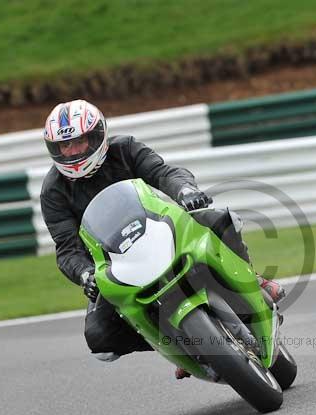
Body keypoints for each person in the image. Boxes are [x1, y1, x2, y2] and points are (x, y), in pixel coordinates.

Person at [40, 99, 285, 378]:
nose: (72, 152)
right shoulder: (53, 192)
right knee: (100, 340)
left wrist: (184, 191)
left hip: (161, 229)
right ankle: (177, 344)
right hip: (115, 264)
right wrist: (85, 274)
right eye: (64, 146)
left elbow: (163, 173)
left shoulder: (125, 149)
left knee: (218, 218)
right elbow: (66, 249)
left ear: (97, 136)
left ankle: (253, 280)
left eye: (79, 142)